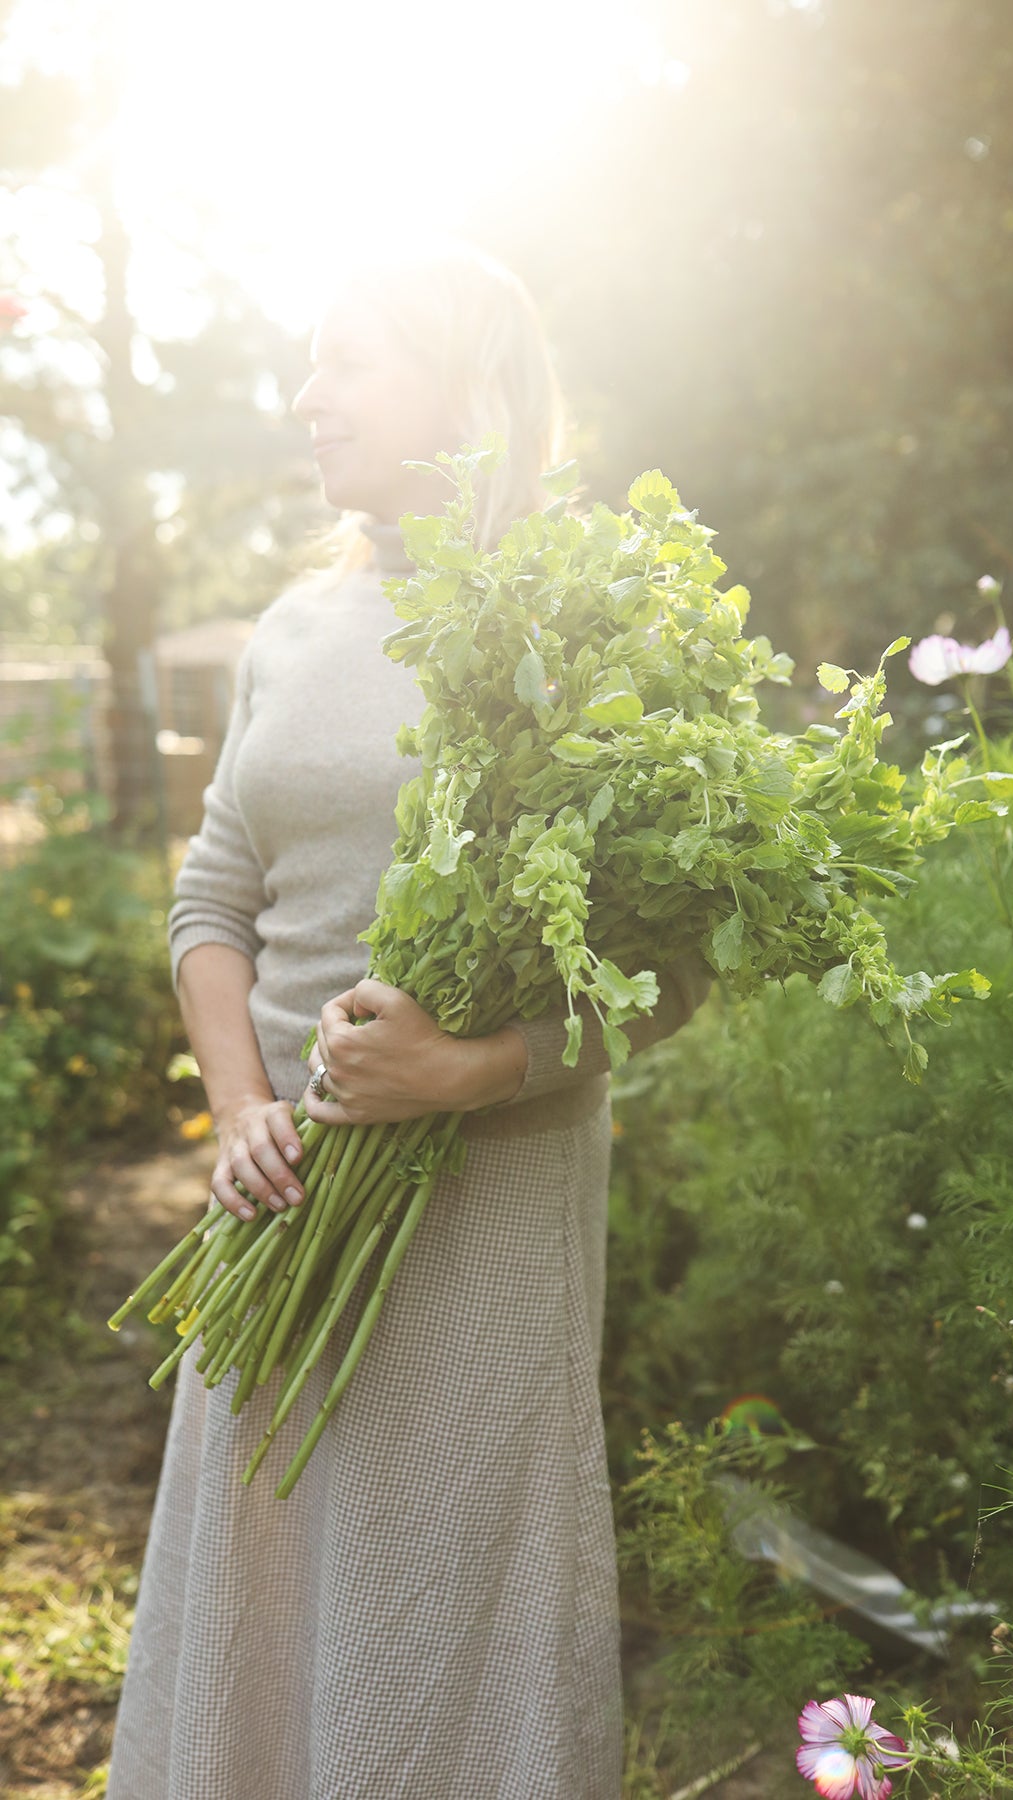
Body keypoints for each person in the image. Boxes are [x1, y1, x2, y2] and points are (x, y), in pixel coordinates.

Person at [106, 236, 709, 1800]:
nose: (307, 399)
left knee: (447, 1599)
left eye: (348, 361)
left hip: (491, 1215)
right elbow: (212, 898)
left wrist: (463, 1068)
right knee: (266, 1576)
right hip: (285, 1201)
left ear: (470, 385)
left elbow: (672, 972)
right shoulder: (291, 635)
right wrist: (242, 1106)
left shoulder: (585, 629)